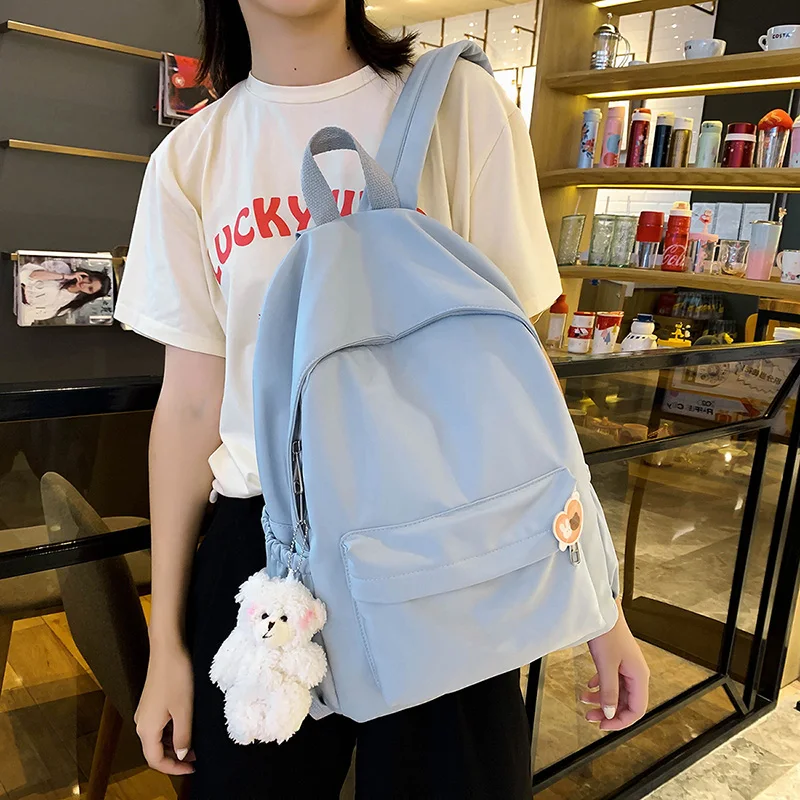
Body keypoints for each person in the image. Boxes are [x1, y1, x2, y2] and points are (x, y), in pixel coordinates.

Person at [116, 1, 650, 798]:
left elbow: (514, 377)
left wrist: (599, 598)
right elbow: (191, 409)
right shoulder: (191, 158)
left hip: (443, 535)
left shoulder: (457, 105)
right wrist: (166, 645)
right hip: (264, 555)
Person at [17, 259, 111, 324]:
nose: (85, 284)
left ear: (90, 294)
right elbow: (32, 275)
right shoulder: (61, 268)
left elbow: (31, 314)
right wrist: (65, 276)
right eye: (89, 280)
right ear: (88, 275)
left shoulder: (68, 304)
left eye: (90, 289)